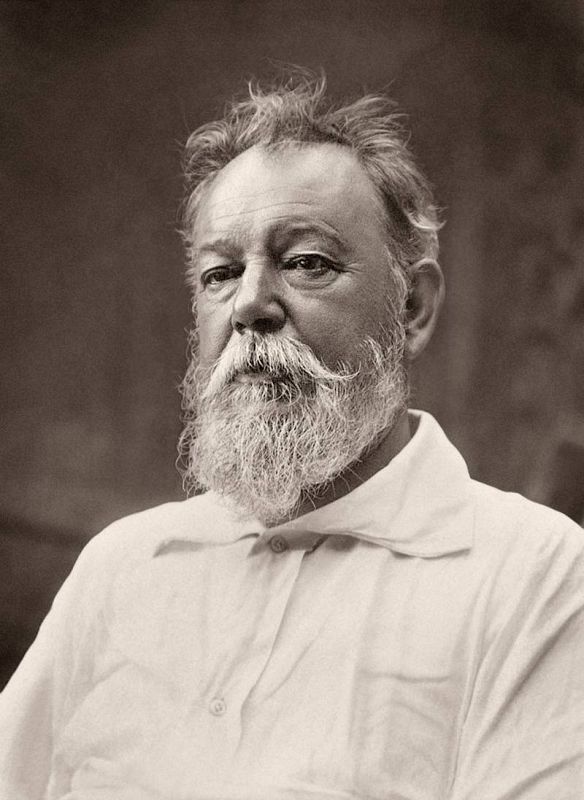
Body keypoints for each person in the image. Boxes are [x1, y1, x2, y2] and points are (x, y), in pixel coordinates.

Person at [1, 71, 583, 800]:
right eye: (220, 273)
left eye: (307, 263)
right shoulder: (121, 568)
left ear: (413, 307)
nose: (250, 304)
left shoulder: (536, 577)